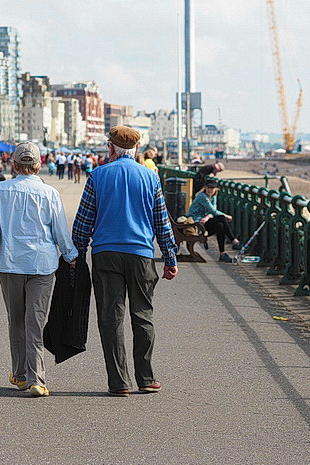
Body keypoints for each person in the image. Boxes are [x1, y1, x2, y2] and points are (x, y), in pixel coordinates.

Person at [72, 125, 178, 397]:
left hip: (106, 254)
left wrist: (76, 253)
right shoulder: (150, 177)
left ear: (111, 149)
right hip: (141, 254)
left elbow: (84, 220)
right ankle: (146, 377)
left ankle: (119, 381)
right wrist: (169, 257)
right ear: (137, 150)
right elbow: (162, 222)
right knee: (142, 315)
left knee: (111, 317)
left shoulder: (97, 176)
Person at [0, 141, 78, 397]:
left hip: (10, 264)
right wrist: (71, 256)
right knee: (35, 321)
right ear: (39, 165)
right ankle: (38, 379)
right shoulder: (50, 194)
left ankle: (20, 374)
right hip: (42, 265)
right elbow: (59, 232)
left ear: (13, 165)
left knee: (16, 320)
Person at [187, 179, 241, 262]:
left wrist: (208, 217)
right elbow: (214, 211)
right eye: (208, 187)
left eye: (212, 188)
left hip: (204, 222)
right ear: (205, 188)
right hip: (196, 223)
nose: (210, 190)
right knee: (222, 218)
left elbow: (213, 211)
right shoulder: (202, 196)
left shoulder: (213, 197)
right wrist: (227, 216)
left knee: (220, 226)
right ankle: (234, 240)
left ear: (216, 189)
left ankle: (222, 254)